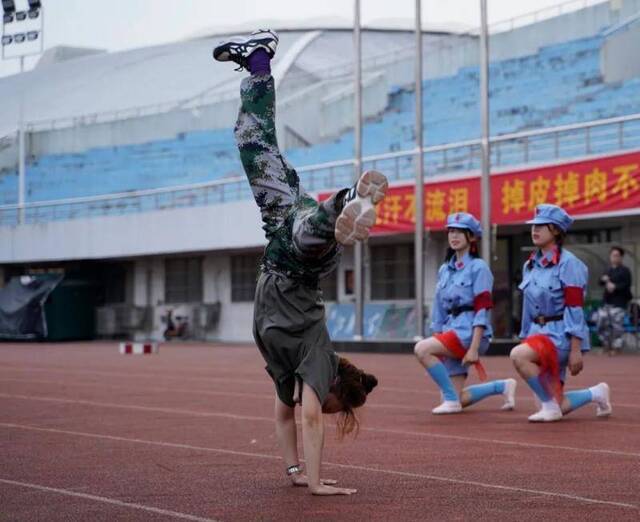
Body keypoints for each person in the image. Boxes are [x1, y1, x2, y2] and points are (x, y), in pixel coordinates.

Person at [214, 30, 385, 496]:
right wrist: (316, 484)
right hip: (300, 263)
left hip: (277, 228)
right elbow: (309, 416)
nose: (320, 406)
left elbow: (284, 413)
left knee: (252, 142)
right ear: (334, 389)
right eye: (332, 407)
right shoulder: (319, 361)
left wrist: (292, 471)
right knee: (309, 232)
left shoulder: (290, 373)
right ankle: (347, 203)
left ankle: (258, 61)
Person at [509, 204, 612, 422]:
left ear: (556, 231)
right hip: (536, 333)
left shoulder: (569, 264)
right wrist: (524, 336)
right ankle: (596, 393)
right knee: (557, 403)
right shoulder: (531, 264)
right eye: (533, 226)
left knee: (518, 356)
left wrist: (576, 349)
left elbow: (574, 308)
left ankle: (550, 405)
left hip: (560, 335)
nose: (534, 230)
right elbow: (528, 306)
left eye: (541, 226)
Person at [414, 212, 517, 414]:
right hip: (450, 331)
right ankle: (502, 386)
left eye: (460, 232)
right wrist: (437, 336)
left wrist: (474, 348)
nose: (454, 236)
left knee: (422, 349)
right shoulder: (445, 269)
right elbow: (439, 309)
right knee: (458, 398)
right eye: (451, 231)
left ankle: (451, 401)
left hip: (469, 333)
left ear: (471, 237)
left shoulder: (479, 267)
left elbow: (482, 309)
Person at [595, 246, 633, 355]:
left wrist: (615, 286)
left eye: (616, 256)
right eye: (612, 255)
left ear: (621, 257)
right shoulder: (608, 270)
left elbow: (626, 285)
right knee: (601, 323)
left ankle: (617, 347)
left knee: (617, 326)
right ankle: (606, 345)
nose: (614, 258)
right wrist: (604, 280)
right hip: (606, 302)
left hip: (619, 302)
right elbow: (600, 282)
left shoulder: (625, 271)